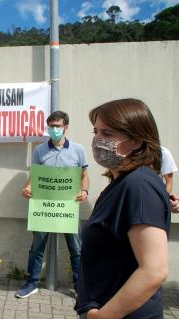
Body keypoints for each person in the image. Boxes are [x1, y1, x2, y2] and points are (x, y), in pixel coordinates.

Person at [75, 98, 170, 318]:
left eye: (107, 134)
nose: (97, 140)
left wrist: (103, 316)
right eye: (95, 132)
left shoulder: (139, 185)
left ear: (136, 141)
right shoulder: (122, 183)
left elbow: (154, 270)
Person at [16, 110, 89, 298]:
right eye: (51, 126)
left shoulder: (78, 150)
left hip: (69, 208)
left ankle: (80, 288)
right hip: (44, 207)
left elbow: (84, 176)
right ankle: (31, 283)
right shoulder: (40, 150)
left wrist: (84, 191)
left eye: (57, 126)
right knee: (37, 247)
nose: (54, 129)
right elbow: (34, 178)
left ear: (66, 127)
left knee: (77, 249)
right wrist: (27, 189)